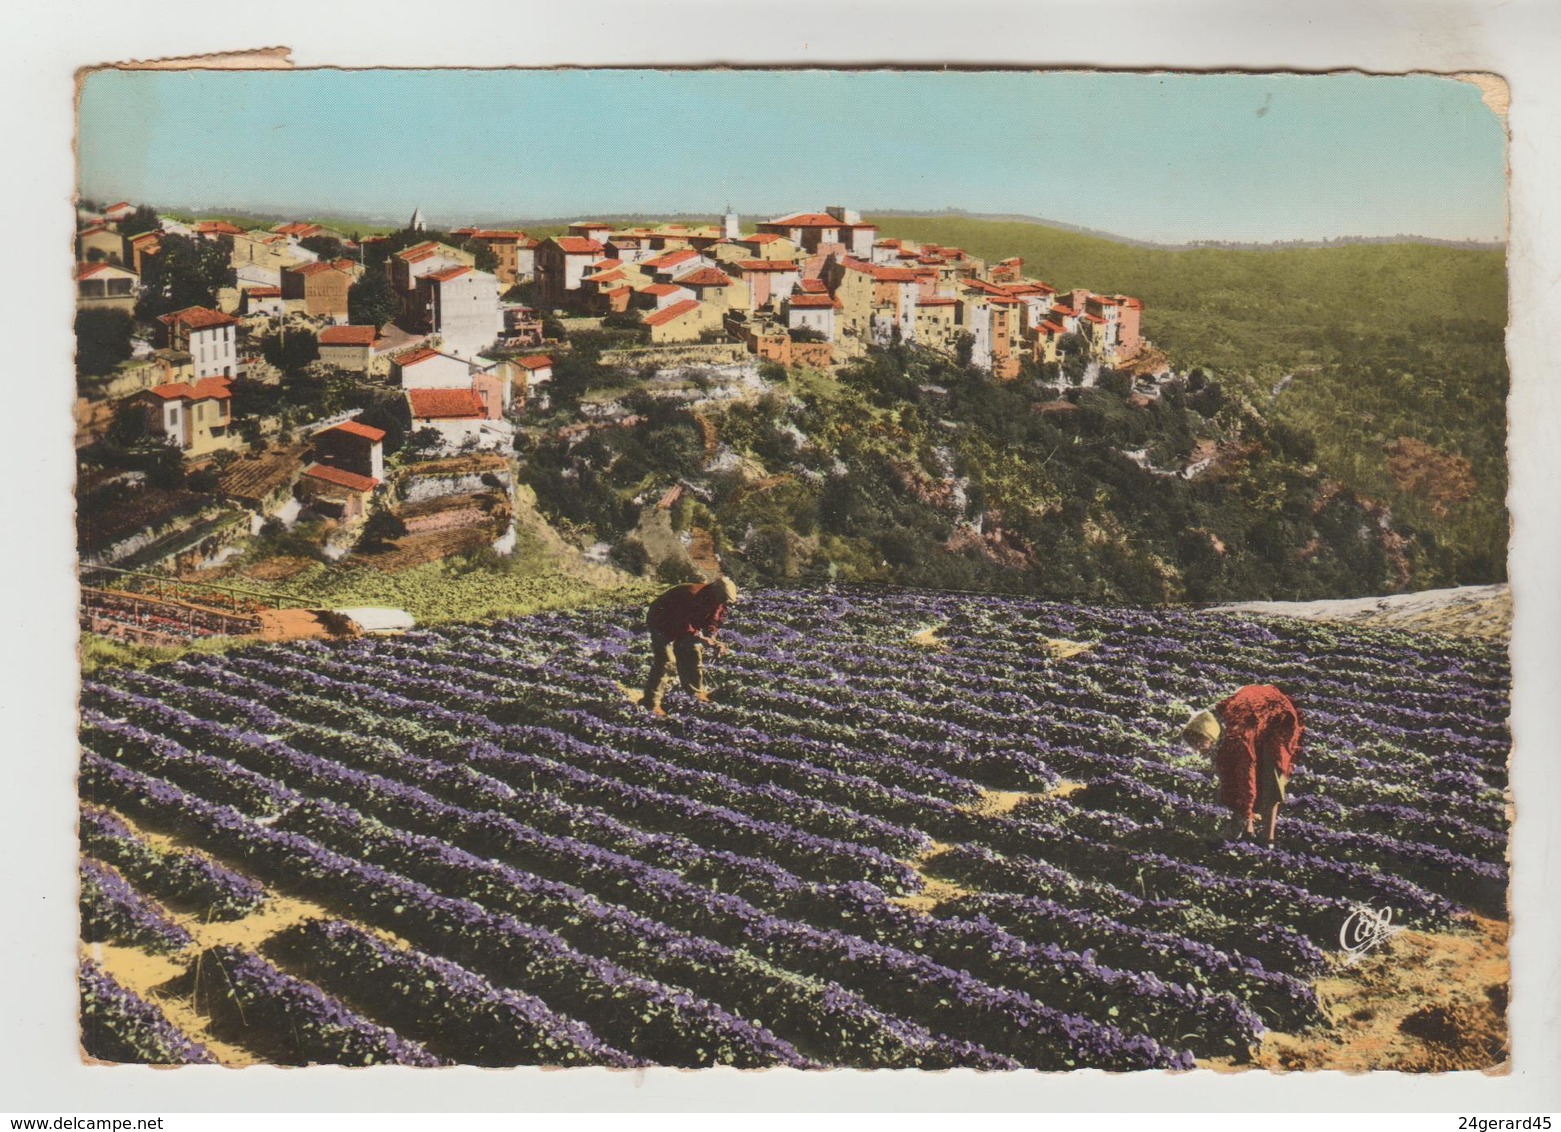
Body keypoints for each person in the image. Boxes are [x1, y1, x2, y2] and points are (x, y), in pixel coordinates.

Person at [1182, 684, 1304, 848]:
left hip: (1279, 719)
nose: (1196, 748)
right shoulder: (1215, 723)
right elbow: (1230, 775)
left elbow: (1246, 776)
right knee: (1239, 774)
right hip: (1254, 714)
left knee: (1271, 782)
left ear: (1208, 736)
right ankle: (1249, 831)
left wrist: (1245, 811)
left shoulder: (1238, 738)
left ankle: (1268, 839)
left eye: (1198, 743)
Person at [640, 577, 738, 716]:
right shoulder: (691, 594)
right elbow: (681, 621)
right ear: (714, 590)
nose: (723, 601)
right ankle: (650, 703)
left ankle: (696, 694)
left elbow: (714, 621)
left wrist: (712, 639)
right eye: (723, 598)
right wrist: (700, 638)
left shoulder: (718, 601)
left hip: (685, 625)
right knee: (666, 661)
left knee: (693, 652)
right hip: (661, 621)